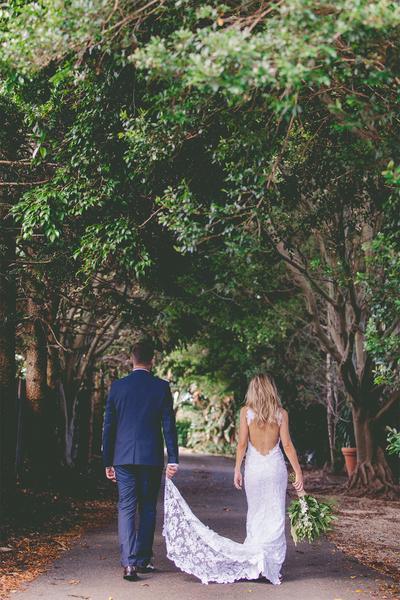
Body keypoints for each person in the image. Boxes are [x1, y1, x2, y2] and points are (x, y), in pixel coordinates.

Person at [163, 373, 304, 585]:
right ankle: (271, 566)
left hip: (255, 469)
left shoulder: (245, 413)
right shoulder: (281, 414)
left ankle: (257, 563)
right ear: (271, 389)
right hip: (275, 469)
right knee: (275, 514)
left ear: (253, 391)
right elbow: (288, 446)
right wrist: (298, 472)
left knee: (256, 513)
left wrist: (237, 469)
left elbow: (241, 444)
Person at [102, 338, 179, 582]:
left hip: (123, 458)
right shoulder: (161, 387)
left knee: (126, 507)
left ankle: (129, 564)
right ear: (152, 360)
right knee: (147, 508)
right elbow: (168, 425)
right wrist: (173, 458)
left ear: (131, 359)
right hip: (151, 458)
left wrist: (107, 461)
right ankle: (143, 559)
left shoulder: (118, 387)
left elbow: (108, 426)